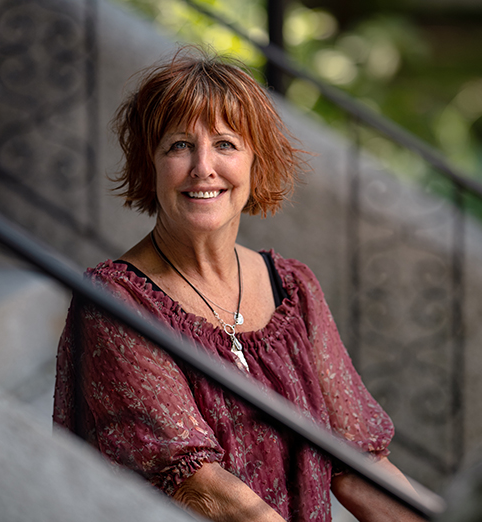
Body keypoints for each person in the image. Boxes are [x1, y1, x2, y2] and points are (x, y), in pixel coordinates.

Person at [53, 47, 419, 522]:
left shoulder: (293, 288)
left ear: (255, 161)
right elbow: (200, 487)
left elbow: (360, 463)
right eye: (179, 145)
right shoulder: (114, 304)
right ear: (151, 164)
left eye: (225, 144)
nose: (203, 166)